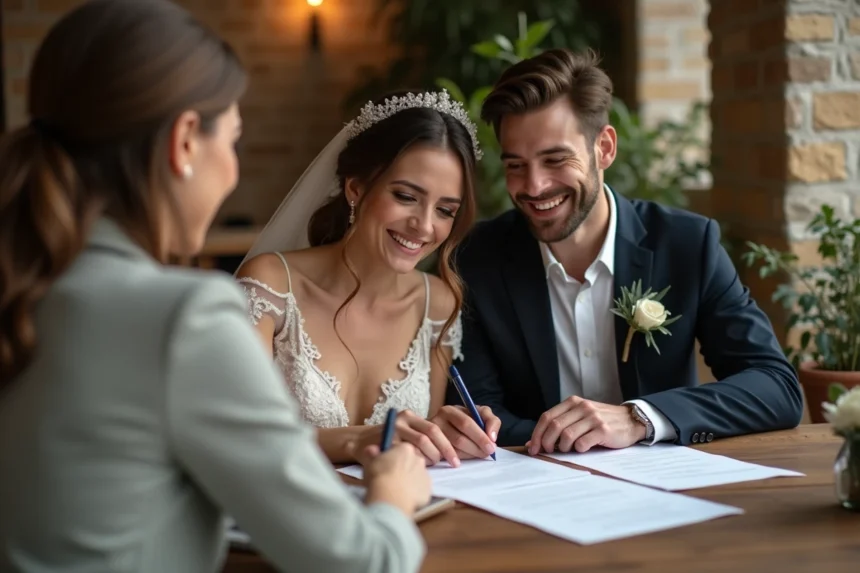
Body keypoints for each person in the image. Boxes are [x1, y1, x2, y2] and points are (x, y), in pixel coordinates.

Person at [0, 1, 430, 572]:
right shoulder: (183, 318)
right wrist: (395, 497)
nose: (231, 168)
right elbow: (366, 562)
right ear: (183, 142)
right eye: (232, 140)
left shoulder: (26, 282)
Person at [453, 48, 804, 454]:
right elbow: (480, 410)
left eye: (555, 159)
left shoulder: (687, 244)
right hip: (534, 487)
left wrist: (641, 418)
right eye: (515, 165)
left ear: (604, 148)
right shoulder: (477, 259)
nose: (533, 186)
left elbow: (776, 387)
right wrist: (565, 442)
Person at [235, 89, 500, 467]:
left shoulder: (438, 304)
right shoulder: (271, 285)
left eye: (444, 210)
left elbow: (417, 449)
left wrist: (442, 433)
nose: (424, 226)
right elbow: (241, 438)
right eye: (406, 196)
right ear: (356, 188)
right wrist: (361, 439)